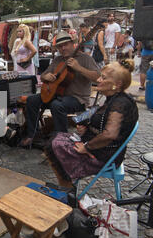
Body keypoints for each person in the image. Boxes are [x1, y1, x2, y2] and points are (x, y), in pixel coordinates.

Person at [44, 59, 138, 188]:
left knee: (55, 144)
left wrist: (87, 147)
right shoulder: (113, 99)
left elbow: (109, 135)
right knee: (56, 137)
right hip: (101, 148)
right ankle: (66, 184)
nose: (98, 80)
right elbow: (93, 119)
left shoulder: (120, 103)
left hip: (104, 156)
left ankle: (66, 186)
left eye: (103, 78)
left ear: (118, 83)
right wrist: (86, 129)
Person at [20, 31, 100, 148]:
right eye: (60, 46)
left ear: (72, 44)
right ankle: (34, 136)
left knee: (57, 105)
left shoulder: (85, 58)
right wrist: (46, 77)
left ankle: (61, 142)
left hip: (78, 98)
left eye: (65, 44)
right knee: (32, 100)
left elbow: (98, 77)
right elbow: (43, 75)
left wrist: (79, 68)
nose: (63, 48)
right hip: (57, 95)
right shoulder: (58, 60)